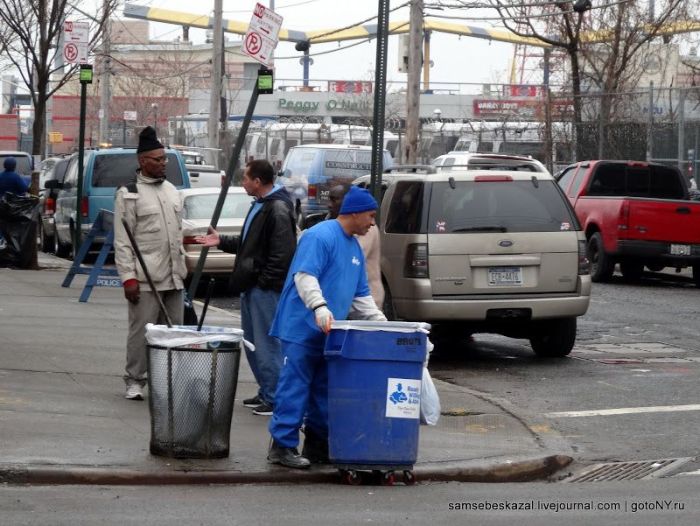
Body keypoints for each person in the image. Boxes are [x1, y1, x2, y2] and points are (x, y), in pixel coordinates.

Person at [266, 185, 387, 469]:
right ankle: (282, 446)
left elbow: (361, 297)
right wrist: (319, 307)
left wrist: (383, 324)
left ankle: (318, 444)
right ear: (354, 213)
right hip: (302, 327)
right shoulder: (320, 236)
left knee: (324, 389)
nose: (372, 222)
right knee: (295, 386)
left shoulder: (354, 247)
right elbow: (305, 276)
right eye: (370, 216)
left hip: (328, 331)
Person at [194, 160, 297, 416]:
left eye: (246, 178)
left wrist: (263, 282)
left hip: (264, 289)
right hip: (254, 286)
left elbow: (282, 254)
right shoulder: (263, 205)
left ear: (258, 182)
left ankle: (273, 397)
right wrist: (222, 241)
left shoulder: (277, 208)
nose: (243, 183)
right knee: (253, 343)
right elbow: (250, 243)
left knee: (266, 345)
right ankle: (266, 391)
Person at [114, 126, 187, 401]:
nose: (163, 163)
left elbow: (178, 232)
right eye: (157, 159)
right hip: (145, 278)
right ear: (142, 161)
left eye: (165, 158)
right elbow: (122, 241)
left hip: (173, 275)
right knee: (142, 332)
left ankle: (168, 379)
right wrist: (128, 278)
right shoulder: (129, 194)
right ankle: (135, 380)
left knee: (174, 332)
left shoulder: (171, 190)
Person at [318, 184, 385, 309]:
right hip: (349, 300)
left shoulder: (366, 228)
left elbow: (347, 260)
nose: (329, 204)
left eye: (334, 199)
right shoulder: (331, 226)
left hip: (366, 301)